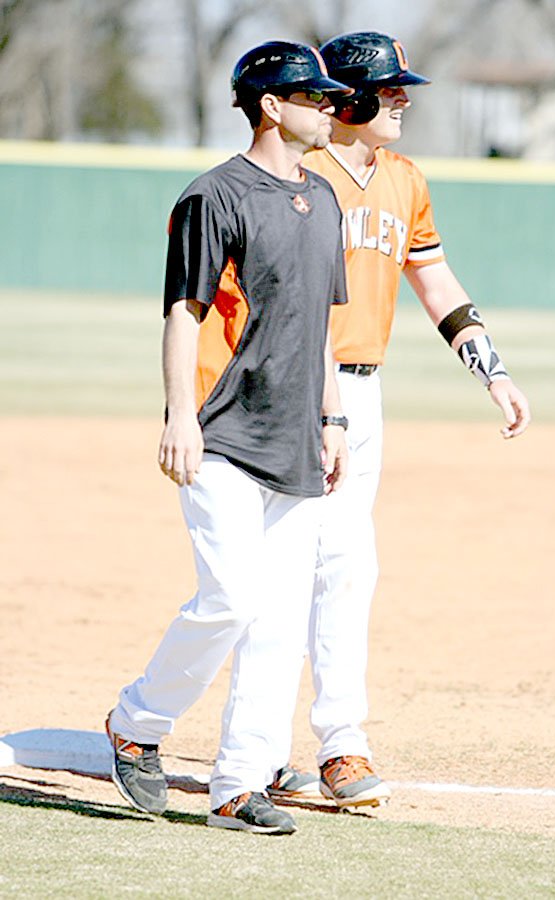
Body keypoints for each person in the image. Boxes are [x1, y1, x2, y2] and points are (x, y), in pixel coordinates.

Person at [264, 31, 531, 809]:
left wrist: (494, 371)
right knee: (286, 570)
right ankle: (270, 747)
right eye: (389, 89)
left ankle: (337, 743)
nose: (403, 99)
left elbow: (435, 279)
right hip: (292, 391)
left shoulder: (405, 181)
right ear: (345, 99)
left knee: (346, 567)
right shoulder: (298, 174)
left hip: (364, 395)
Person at [105, 40, 354, 835]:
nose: (326, 109)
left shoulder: (325, 198)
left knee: (280, 624)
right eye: (311, 98)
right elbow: (185, 311)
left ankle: (238, 786)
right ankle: (137, 723)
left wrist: (334, 415)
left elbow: (320, 326)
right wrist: (179, 413)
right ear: (271, 106)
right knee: (231, 599)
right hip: (222, 432)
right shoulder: (216, 196)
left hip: (297, 440)